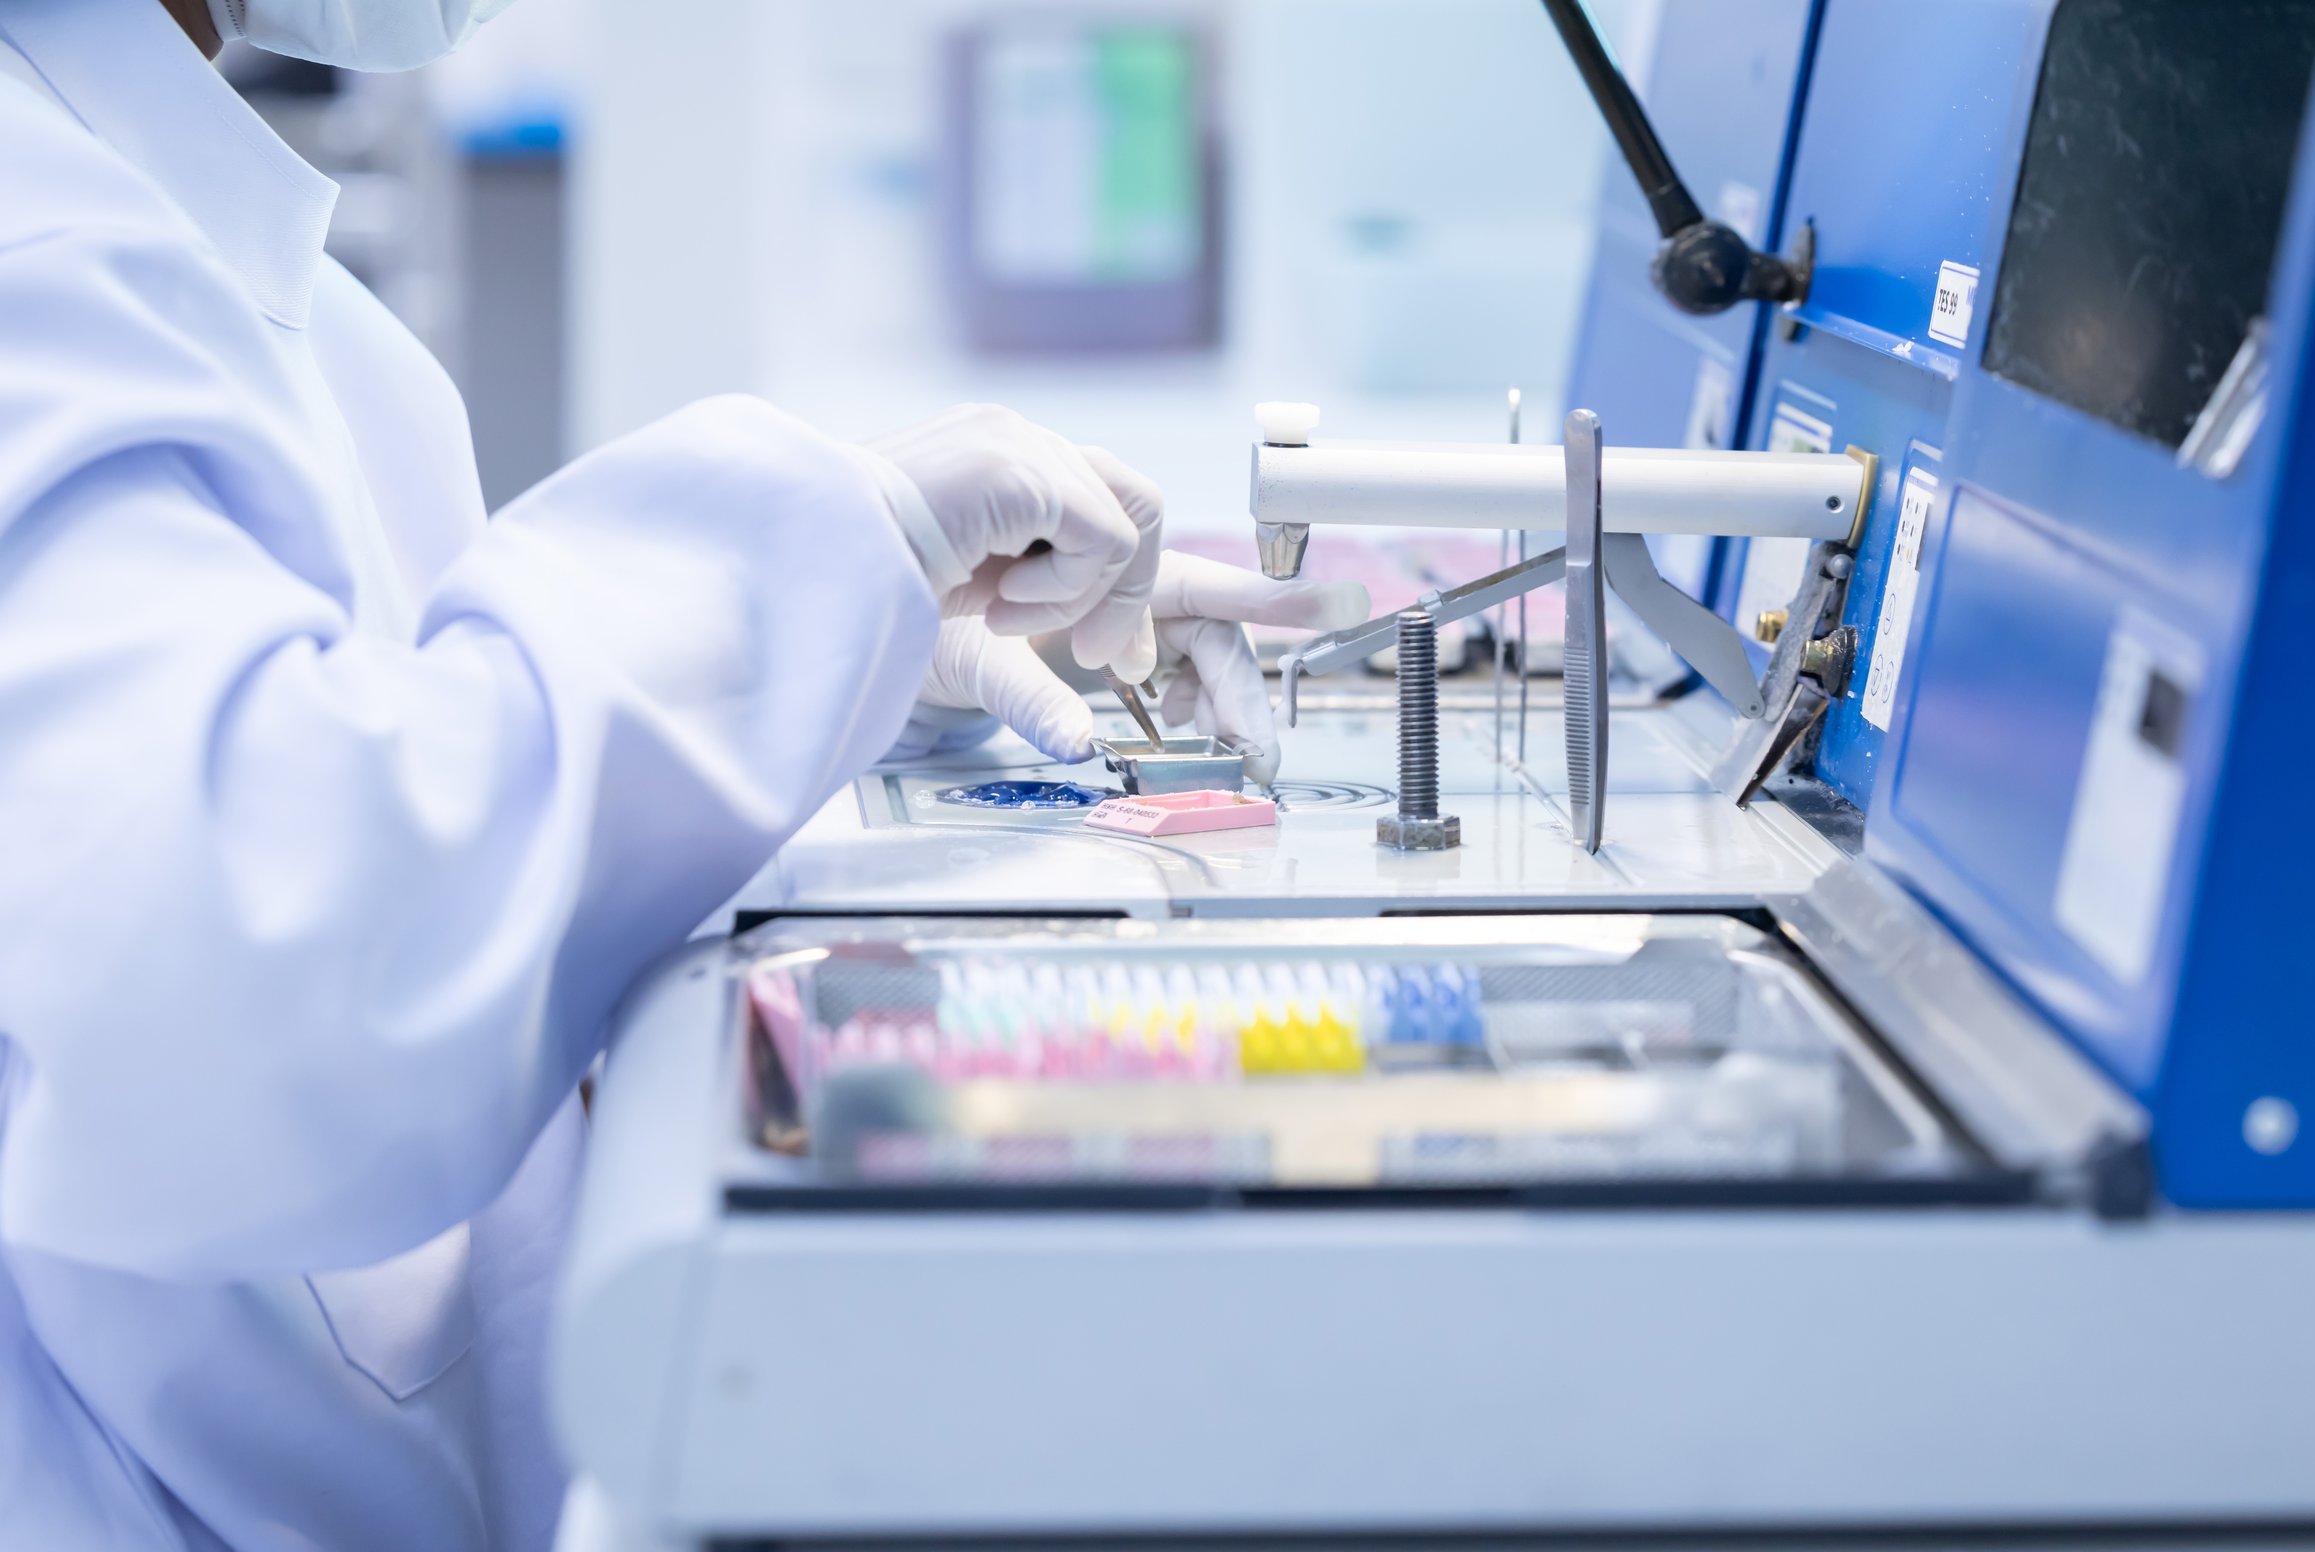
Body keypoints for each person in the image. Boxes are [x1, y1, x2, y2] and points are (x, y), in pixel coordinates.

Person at [0, 0, 1366, 1547]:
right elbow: (259, 956)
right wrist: (814, 569)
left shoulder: (166, 225)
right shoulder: (34, 242)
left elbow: (370, 741)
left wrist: (843, 673)